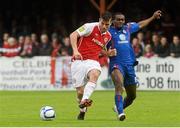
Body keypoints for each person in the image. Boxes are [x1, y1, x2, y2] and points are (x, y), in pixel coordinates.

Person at [107, 10, 162, 121]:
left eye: (122, 19)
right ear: (113, 21)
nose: (121, 21)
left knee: (132, 96)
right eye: (118, 20)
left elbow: (141, 24)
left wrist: (152, 17)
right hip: (116, 63)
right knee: (119, 86)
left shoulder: (127, 28)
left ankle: (118, 107)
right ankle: (121, 113)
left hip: (129, 64)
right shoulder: (107, 32)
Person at [70, 11, 116, 120]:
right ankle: (82, 109)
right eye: (103, 23)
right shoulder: (89, 27)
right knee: (80, 92)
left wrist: (108, 53)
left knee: (95, 74)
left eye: (107, 24)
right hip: (78, 61)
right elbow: (73, 35)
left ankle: (85, 100)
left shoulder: (108, 36)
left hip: (93, 62)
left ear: (110, 23)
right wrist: (75, 51)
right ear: (99, 20)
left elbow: (100, 50)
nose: (104, 26)